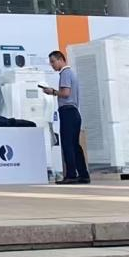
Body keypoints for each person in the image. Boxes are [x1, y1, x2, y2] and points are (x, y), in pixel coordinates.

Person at [41, 50, 89, 184]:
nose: (52, 65)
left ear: (60, 59)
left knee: (68, 144)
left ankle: (71, 174)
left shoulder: (65, 73)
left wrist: (52, 92)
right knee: (74, 145)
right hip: (74, 112)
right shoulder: (71, 73)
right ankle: (83, 174)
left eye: (53, 62)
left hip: (67, 111)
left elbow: (65, 93)